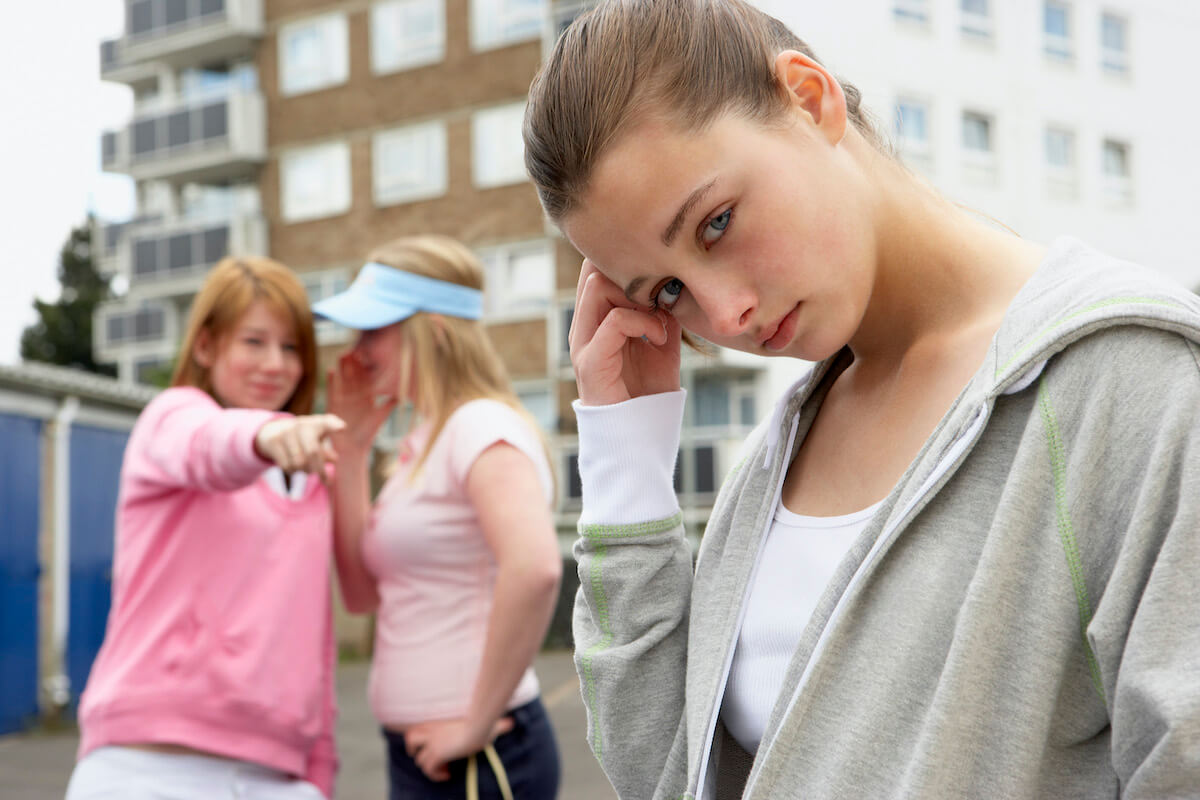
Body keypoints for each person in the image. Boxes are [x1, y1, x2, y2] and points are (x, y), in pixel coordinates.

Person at [521, 1, 1200, 798]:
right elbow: (659, 772)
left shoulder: (1128, 376)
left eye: (718, 223)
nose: (724, 314)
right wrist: (626, 458)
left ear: (809, 100)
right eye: (668, 290)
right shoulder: (776, 457)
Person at [65, 257, 345, 800]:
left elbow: (313, 632)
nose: (275, 364)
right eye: (254, 341)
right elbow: (207, 445)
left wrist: (320, 772)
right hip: (146, 768)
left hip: (277, 776)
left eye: (290, 348)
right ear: (205, 347)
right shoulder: (171, 418)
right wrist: (266, 436)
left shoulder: (312, 475)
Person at [315, 235, 563, 800]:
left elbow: (536, 568)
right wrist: (350, 453)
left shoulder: (477, 425)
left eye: (373, 331)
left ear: (435, 332)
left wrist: (475, 722)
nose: (354, 352)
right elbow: (359, 595)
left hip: (479, 754)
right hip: (421, 755)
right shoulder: (425, 440)